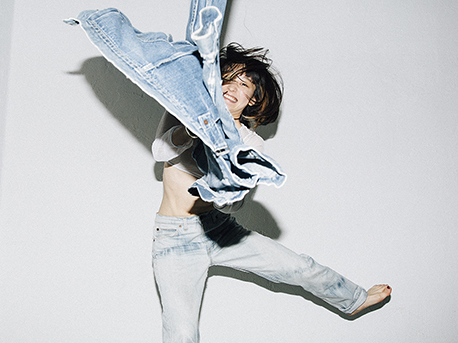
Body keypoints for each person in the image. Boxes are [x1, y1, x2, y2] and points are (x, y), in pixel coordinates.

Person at [151, 43, 391, 342]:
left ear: (252, 99)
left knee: (299, 267)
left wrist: (226, 178)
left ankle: (353, 300)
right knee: (181, 332)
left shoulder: (251, 143)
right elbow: (160, 151)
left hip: (220, 230)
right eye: (227, 79)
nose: (233, 87)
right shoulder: (184, 110)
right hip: (174, 238)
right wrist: (193, 129)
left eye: (244, 84)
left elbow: (232, 206)